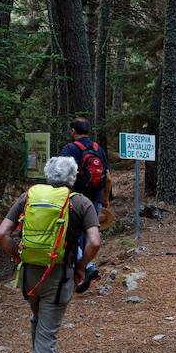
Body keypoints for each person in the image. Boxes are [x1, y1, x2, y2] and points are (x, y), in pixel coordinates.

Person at [0, 156, 101, 353]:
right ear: (73, 178)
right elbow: (95, 242)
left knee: (38, 320)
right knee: (47, 335)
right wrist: (81, 266)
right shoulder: (80, 202)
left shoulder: (29, 196)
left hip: (30, 274)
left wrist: (17, 257)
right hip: (57, 274)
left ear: (47, 175)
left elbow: (2, 234)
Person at [60, 117, 108, 281]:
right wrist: (105, 199)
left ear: (73, 131)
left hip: (76, 198)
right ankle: (86, 266)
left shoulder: (70, 149)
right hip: (95, 197)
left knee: (72, 233)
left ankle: (84, 268)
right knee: (90, 233)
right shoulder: (98, 149)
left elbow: (62, 175)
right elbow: (108, 177)